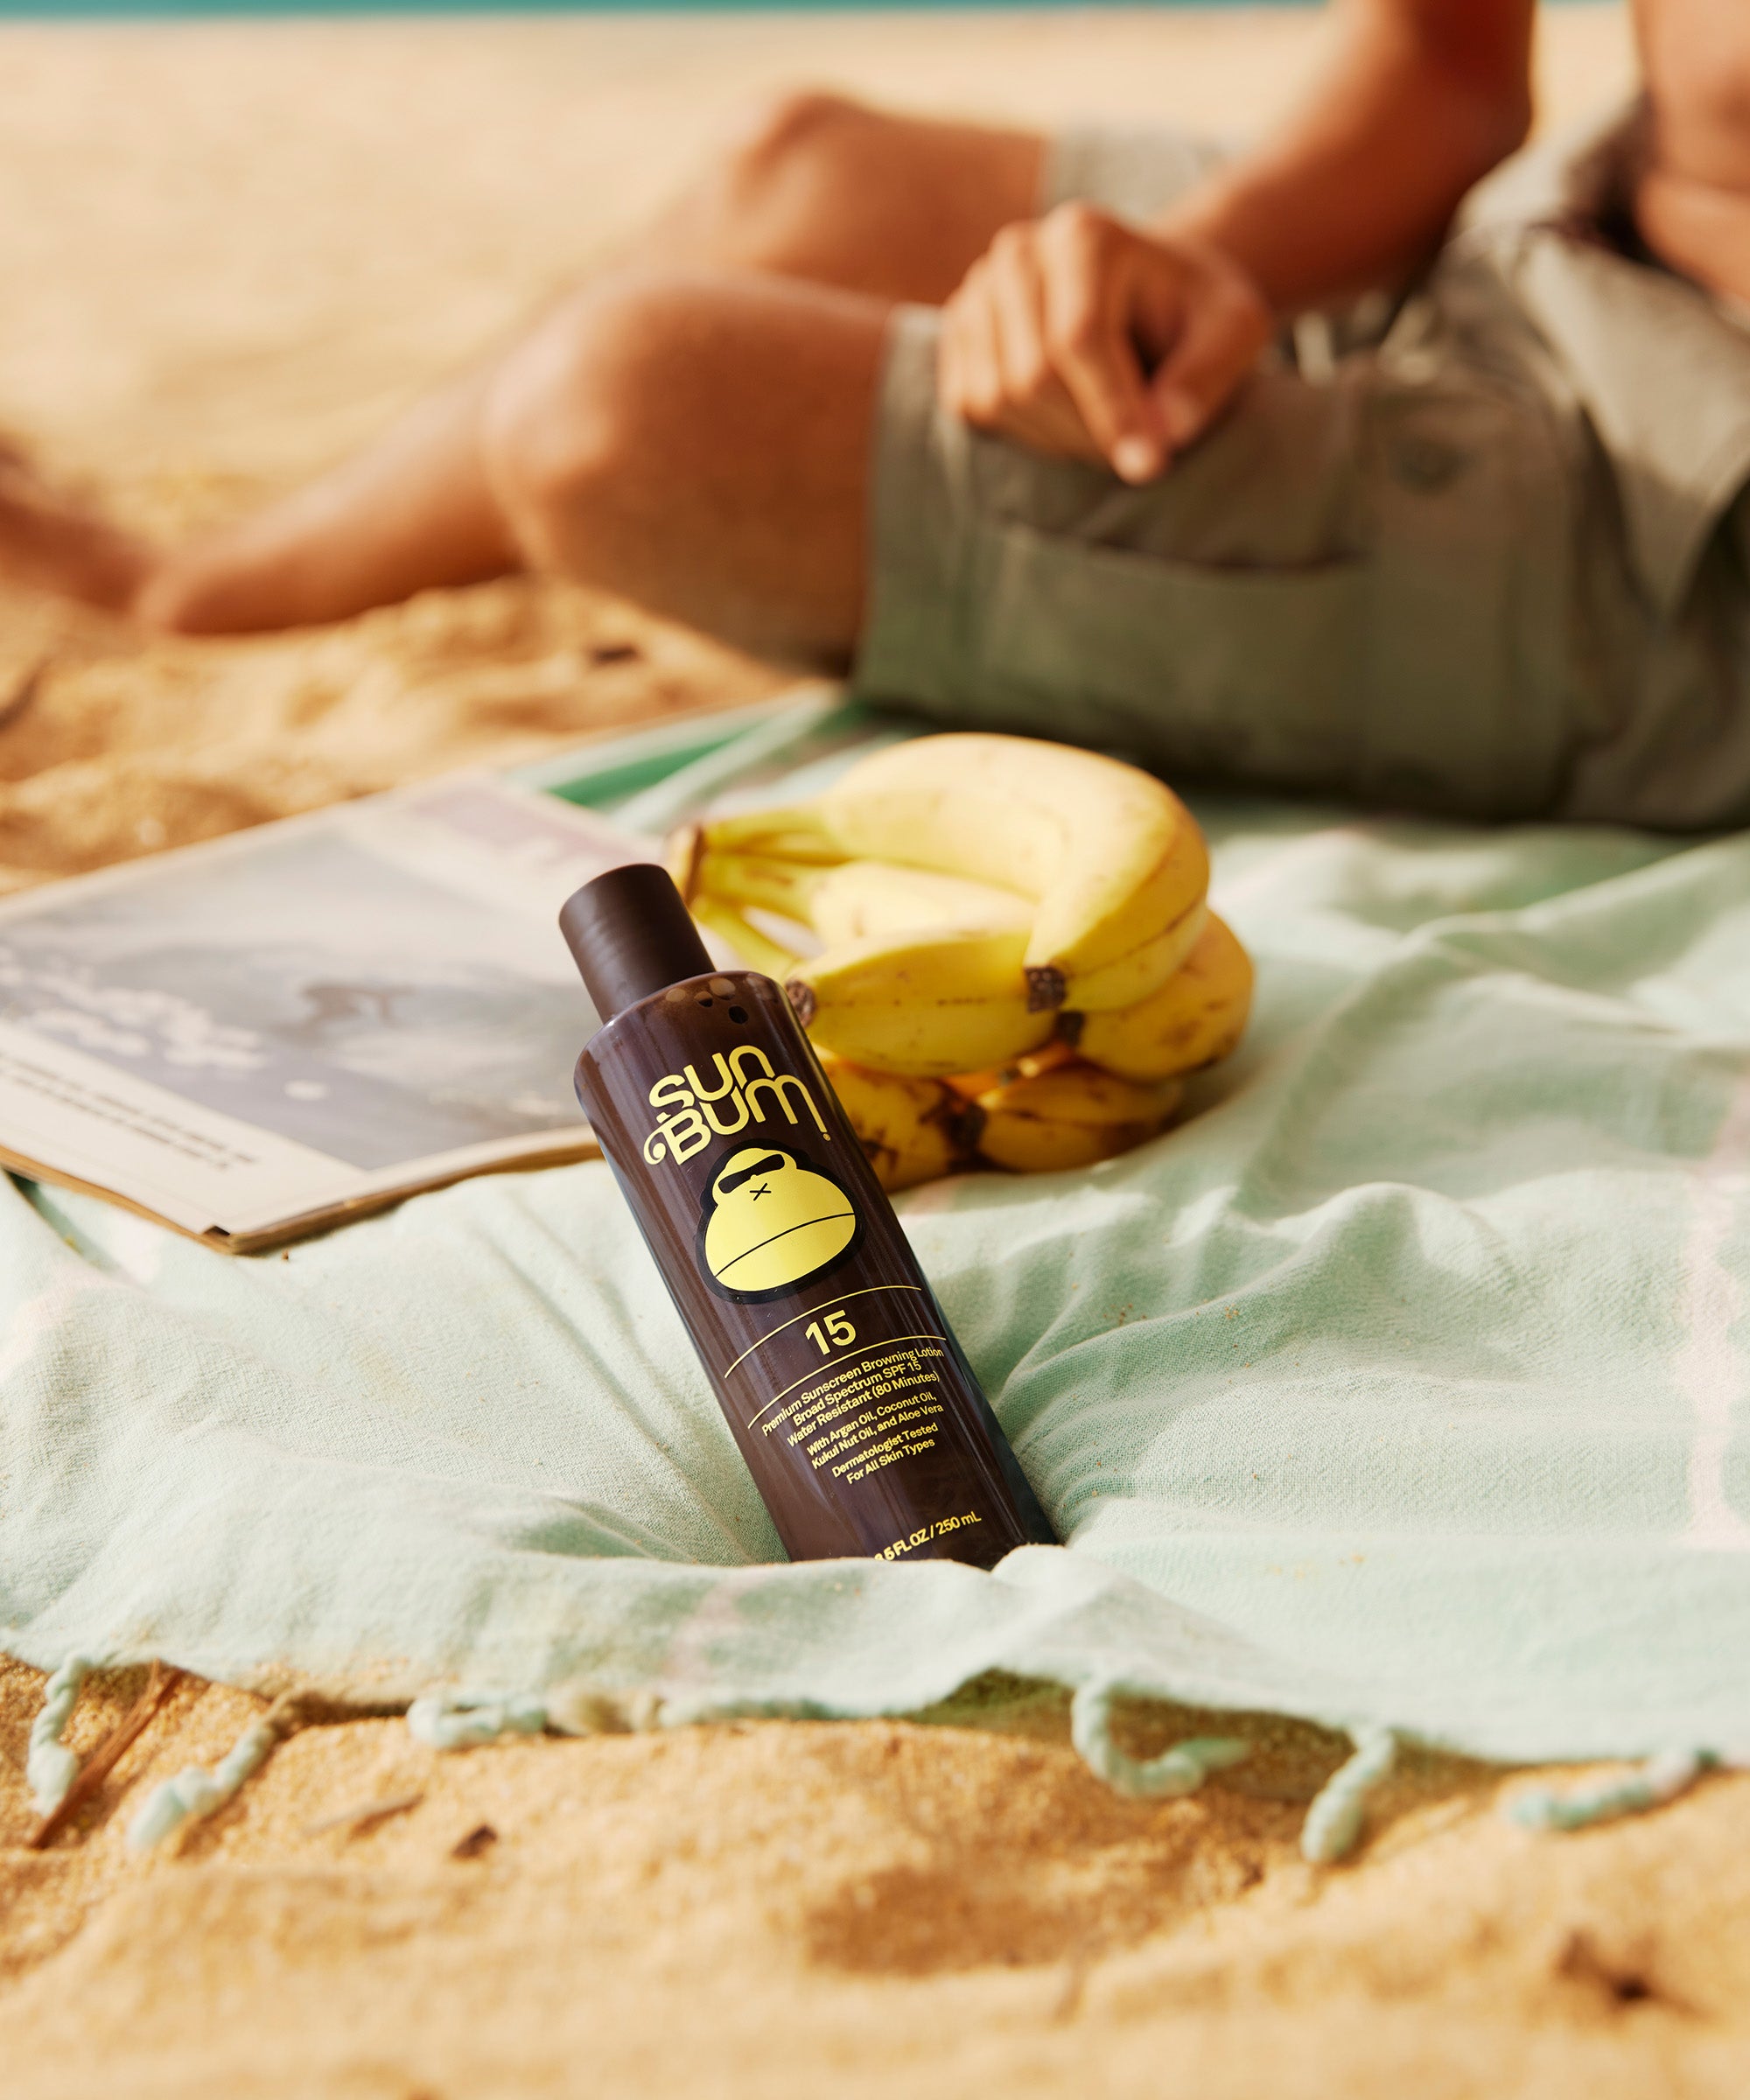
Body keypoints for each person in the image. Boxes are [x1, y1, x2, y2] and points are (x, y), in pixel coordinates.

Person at [4, 0, 1750, 828]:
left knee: (617, 407)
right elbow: (1448, 69)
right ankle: (205, 581)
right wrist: (1188, 262)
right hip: (1550, 240)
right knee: (794, 177)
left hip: (1679, 524)